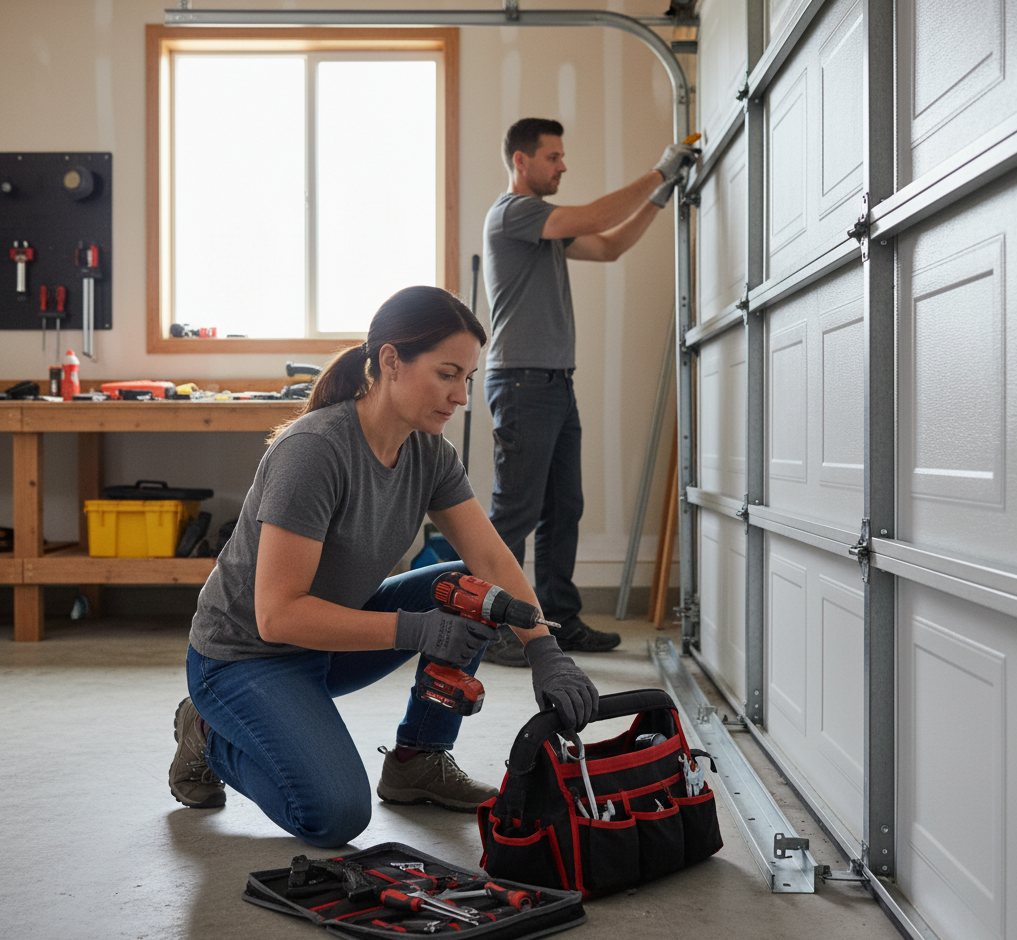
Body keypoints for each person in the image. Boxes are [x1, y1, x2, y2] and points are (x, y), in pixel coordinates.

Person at [168, 286, 599, 848]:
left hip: (326, 643)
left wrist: (545, 649)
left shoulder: (429, 453)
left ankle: (417, 761)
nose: (462, 396)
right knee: (335, 815)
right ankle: (206, 731)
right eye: (448, 374)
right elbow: (277, 616)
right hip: (244, 658)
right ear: (392, 361)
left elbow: (490, 558)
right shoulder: (314, 452)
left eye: (467, 378)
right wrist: (417, 629)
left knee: (467, 590)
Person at [481, 118, 691, 666]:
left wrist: (660, 196)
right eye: (554, 157)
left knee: (562, 508)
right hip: (523, 380)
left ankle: (559, 621)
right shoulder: (514, 212)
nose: (563, 165)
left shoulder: (543, 227)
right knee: (517, 513)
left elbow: (608, 246)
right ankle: (497, 629)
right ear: (522, 161)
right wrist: (657, 171)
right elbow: (597, 215)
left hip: (552, 380)